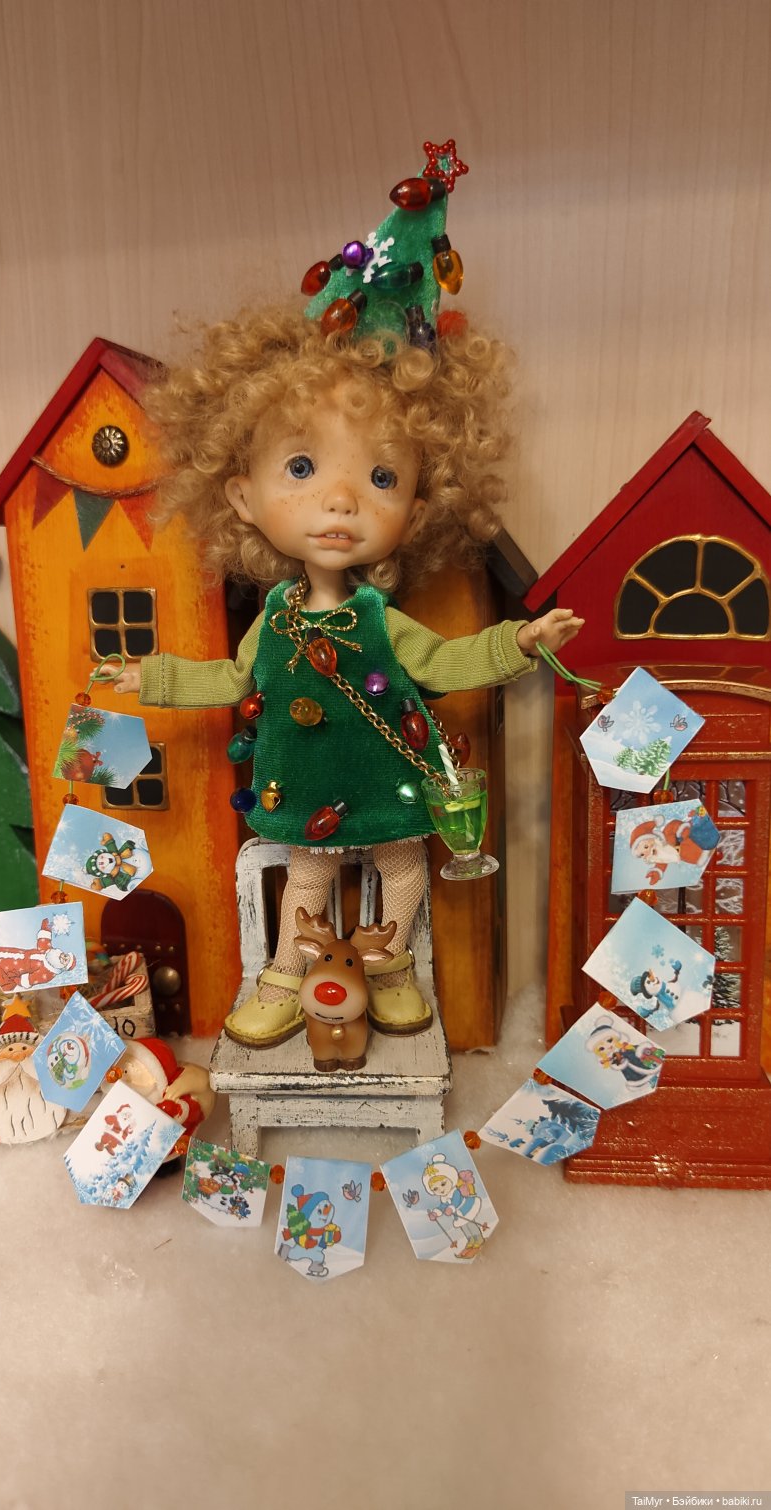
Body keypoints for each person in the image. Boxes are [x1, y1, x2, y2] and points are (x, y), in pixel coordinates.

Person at [113, 142, 582, 1049]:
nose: (340, 501)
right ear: (242, 494)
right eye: (302, 468)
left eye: (381, 477)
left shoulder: (377, 618)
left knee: (404, 871)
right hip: (305, 788)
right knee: (310, 878)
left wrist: (520, 642)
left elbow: (445, 663)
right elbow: (231, 679)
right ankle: (290, 973)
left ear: (419, 507)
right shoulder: (278, 617)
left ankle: (390, 964)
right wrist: (155, 678)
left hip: (391, 784)